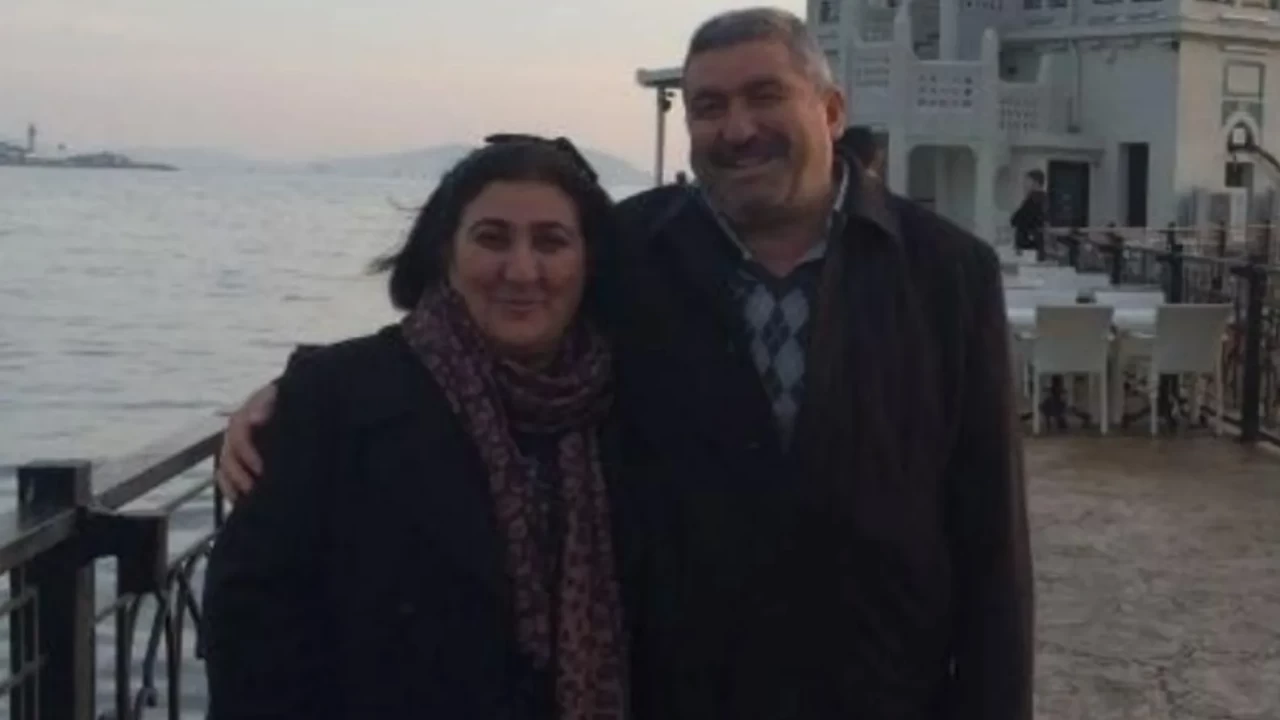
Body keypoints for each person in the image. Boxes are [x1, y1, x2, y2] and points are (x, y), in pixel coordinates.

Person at [215, 7, 1033, 719]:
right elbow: (488, 334)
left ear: (831, 109)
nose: (737, 128)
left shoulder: (945, 272)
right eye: (709, 106)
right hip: (678, 692)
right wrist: (293, 398)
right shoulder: (634, 250)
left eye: (764, 96)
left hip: (878, 692)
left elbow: (989, 532)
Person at [201, 137, 636, 719]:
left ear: (588, 260)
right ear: (444, 252)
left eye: (551, 242)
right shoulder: (335, 399)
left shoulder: (629, 403)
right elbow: (251, 626)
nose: (521, 270)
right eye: (492, 238)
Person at [1011, 168, 1047, 253]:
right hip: (1037, 245)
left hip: (1029, 248)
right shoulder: (1044, 198)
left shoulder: (1033, 199)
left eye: (1027, 181)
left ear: (1036, 183)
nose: (1024, 185)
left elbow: (1015, 220)